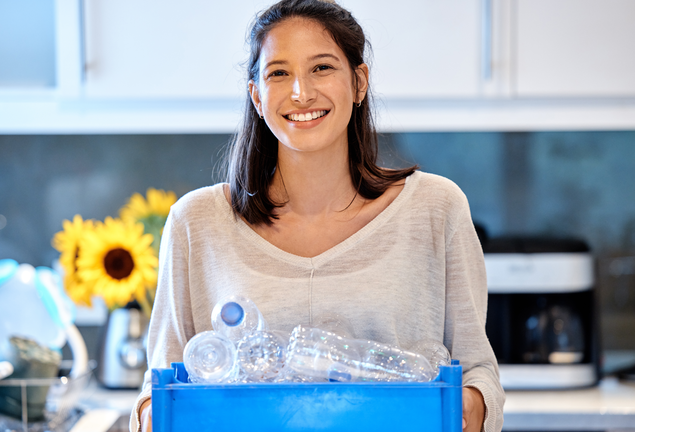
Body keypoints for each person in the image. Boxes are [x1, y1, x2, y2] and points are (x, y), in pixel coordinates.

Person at [130, 0, 505, 431]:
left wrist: (469, 406)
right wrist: (151, 415)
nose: (300, 93)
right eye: (278, 73)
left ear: (359, 82)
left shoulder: (436, 209)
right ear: (256, 94)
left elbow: (478, 372)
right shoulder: (197, 223)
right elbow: (157, 387)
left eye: (322, 68)